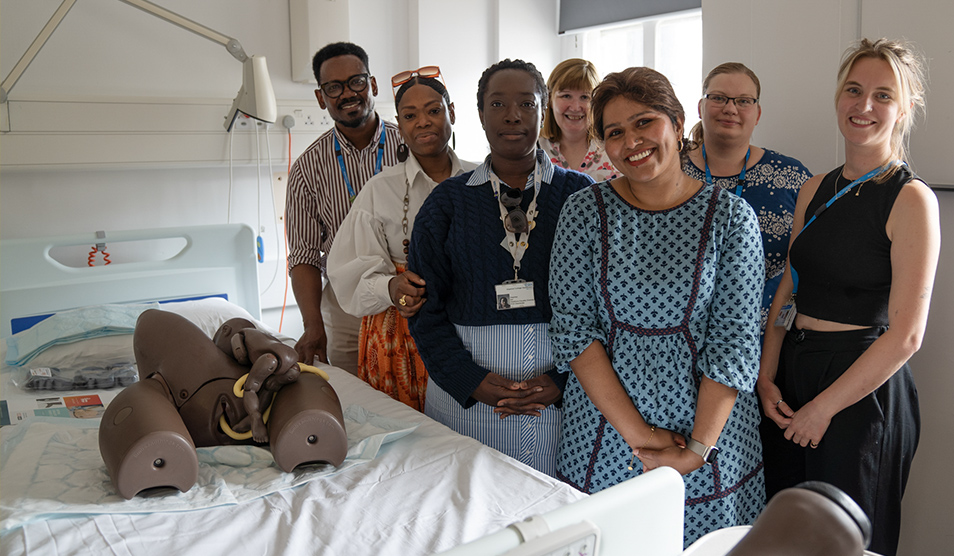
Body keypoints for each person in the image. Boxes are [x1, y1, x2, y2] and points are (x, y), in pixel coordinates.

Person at [548, 67, 765, 545]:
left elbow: (734, 343)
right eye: (615, 132)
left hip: (710, 436)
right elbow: (574, 333)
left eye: (645, 122)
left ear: (677, 121)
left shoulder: (731, 218)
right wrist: (642, 438)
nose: (632, 141)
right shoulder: (584, 212)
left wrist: (697, 450)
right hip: (606, 433)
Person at [758, 38, 939, 556]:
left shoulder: (910, 199)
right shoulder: (813, 188)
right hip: (794, 374)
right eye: (854, 90)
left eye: (883, 95)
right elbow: (789, 287)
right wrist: (768, 377)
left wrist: (823, 409)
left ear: (904, 108)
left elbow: (906, 336)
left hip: (860, 390)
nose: (863, 106)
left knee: (846, 542)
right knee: (787, 535)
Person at [408, 59, 594, 476]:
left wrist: (564, 380)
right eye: (497, 104)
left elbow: (608, 305)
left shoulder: (581, 196)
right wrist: (466, 378)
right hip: (467, 400)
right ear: (479, 115)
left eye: (526, 104)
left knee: (558, 517)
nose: (512, 115)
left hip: (565, 397)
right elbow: (424, 308)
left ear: (542, 112)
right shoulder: (446, 204)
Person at [327, 67, 476, 411]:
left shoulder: (480, 179)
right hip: (402, 336)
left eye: (434, 110)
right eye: (410, 115)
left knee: (472, 432)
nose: (422, 122)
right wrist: (390, 288)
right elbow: (347, 275)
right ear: (400, 123)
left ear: (451, 113)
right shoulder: (380, 190)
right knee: (410, 440)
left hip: (472, 329)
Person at [285, 42, 402, 375]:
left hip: (410, 295)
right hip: (345, 303)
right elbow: (304, 255)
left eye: (356, 81)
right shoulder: (308, 168)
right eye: (334, 87)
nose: (347, 93)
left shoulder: (410, 148)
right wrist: (312, 325)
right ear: (322, 98)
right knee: (356, 403)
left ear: (373, 85)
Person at [684, 63, 812, 336]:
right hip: (682, 337)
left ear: (758, 113)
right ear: (700, 107)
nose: (730, 108)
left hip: (771, 338)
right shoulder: (671, 171)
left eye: (743, 101)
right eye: (718, 98)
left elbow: (816, 262)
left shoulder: (791, 176)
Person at [538, 58, 618, 181]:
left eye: (585, 97)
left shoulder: (614, 147)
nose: (575, 108)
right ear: (550, 99)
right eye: (566, 96)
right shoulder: (534, 149)